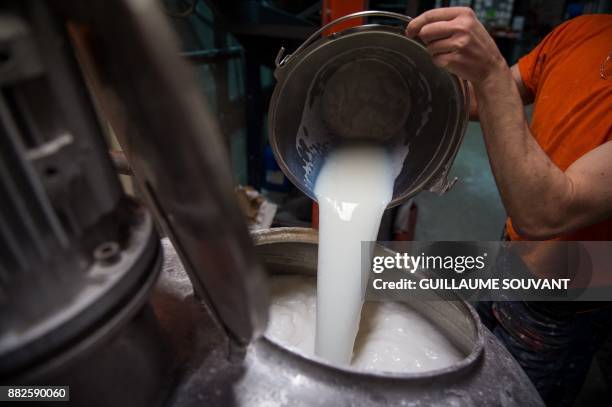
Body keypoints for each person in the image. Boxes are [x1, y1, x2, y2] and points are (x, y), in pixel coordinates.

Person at [405, 8, 612, 406]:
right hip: (513, 253)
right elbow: (487, 99)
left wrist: (490, 70)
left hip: (569, 297)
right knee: (481, 355)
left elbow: (547, 212)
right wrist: (404, 88)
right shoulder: (582, 32)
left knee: (515, 393)